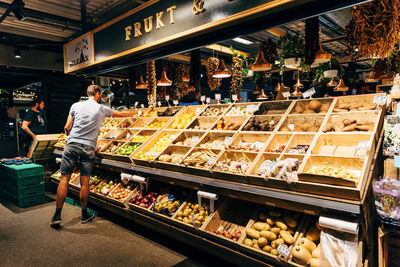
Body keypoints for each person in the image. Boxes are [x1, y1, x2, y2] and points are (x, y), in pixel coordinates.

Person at [50, 85, 138, 227]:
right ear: (97, 94)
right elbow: (122, 115)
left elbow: (67, 127)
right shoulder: (101, 108)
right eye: (101, 95)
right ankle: (84, 214)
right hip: (88, 147)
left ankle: (57, 216)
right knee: (85, 182)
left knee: (64, 179)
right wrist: (137, 112)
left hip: (72, 144)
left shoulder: (75, 106)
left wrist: (73, 135)